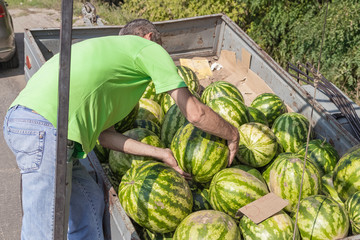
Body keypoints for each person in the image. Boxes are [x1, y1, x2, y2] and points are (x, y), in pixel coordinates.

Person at [3, 19, 239, 240]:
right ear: (148, 37)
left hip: (39, 127)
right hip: (44, 127)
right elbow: (195, 113)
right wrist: (232, 134)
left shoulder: (110, 56)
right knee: (44, 228)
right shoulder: (147, 48)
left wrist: (162, 153)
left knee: (90, 201)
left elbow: (106, 137)